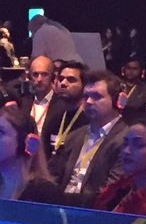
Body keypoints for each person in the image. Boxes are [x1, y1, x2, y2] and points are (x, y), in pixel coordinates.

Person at [52, 69, 126, 206]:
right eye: (86, 96)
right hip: (61, 209)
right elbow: (55, 176)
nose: (89, 101)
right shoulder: (74, 136)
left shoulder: (126, 140)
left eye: (97, 96)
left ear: (117, 101)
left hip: (95, 212)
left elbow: (110, 191)